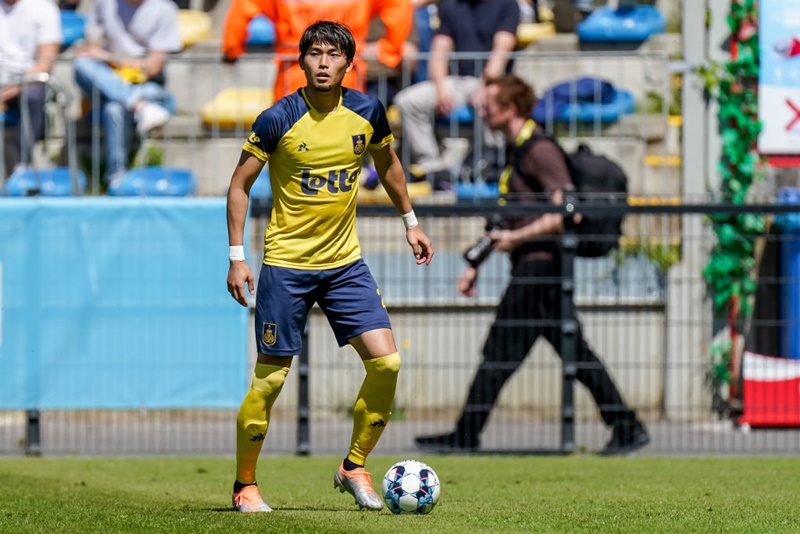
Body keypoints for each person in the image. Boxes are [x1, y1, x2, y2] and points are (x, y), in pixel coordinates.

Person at [225, 21, 434, 513]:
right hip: (286, 267)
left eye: (333, 54)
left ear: (348, 64)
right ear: (301, 61)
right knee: (270, 382)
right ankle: (244, 486)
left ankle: (353, 466)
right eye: (315, 53)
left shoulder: (368, 112)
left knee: (386, 363)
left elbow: (389, 164)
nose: (323, 62)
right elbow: (239, 185)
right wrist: (237, 257)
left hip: (345, 266)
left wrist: (411, 221)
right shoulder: (277, 118)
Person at [415, 74, 649, 456]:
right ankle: (626, 427)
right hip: (534, 268)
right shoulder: (517, 149)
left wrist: (517, 238)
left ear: (510, 109)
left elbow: (567, 210)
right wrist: (476, 262)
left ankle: (466, 434)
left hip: (540, 269)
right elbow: (508, 217)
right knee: (565, 352)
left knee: (503, 352)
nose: (481, 110)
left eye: (489, 105)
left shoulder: (539, 150)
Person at [392, 0, 519, 177]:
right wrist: (440, 88)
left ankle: (491, 164)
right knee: (407, 101)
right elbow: (439, 51)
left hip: (494, 83)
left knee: (490, 101)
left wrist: (484, 88)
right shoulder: (452, 6)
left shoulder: (507, 4)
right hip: (458, 82)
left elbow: (501, 53)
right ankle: (431, 169)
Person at [72, 0, 182, 184]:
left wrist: (108, 57)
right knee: (82, 65)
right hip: (110, 80)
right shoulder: (103, 3)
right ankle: (138, 105)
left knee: (114, 106)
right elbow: (91, 47)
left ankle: (116, 174)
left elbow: (153, 67)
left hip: (147, 86)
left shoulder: (164, 9)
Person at [221, 0, 414, 102]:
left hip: (296, 71)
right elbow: (399, 6)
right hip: (344, 73)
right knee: (343, 135)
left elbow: (243, 6)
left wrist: (231, 49)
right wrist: (389, 50)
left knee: (291, 135)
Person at [0, 0, 62, 178]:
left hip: (30, 80)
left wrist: (12, 88)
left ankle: (21, 163)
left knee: (32, 96)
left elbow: (45, 63)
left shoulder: (44, 8)